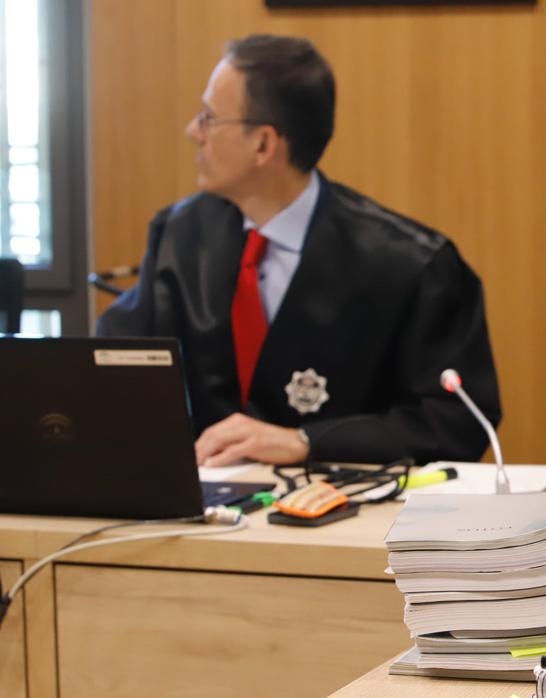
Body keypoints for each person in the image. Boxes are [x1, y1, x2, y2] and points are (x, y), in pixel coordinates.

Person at [98, 34, 501, 468]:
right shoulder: (180, 235)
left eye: (209, 118)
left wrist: (307, 441)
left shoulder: (413, 265)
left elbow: (458, 422)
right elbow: (115, 370)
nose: (193, 132)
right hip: (201, 506)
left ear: (264, 144)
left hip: (346, 514)